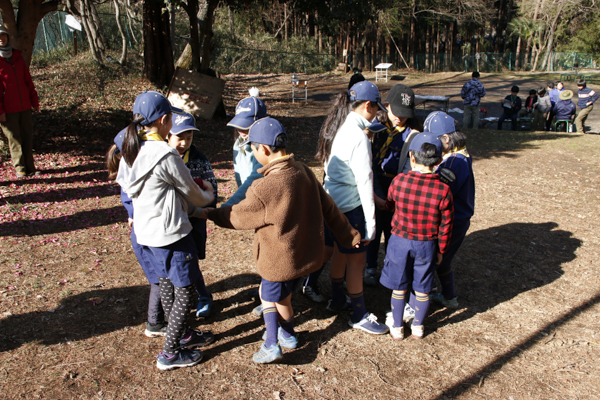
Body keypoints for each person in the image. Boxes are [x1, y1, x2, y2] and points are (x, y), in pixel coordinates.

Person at [205, 117, 361, 363]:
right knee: (284, 298)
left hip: (276, 261)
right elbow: (329, 208)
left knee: (267, 297)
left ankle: (271, 343)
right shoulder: (304, 172)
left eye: (253, 149)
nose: (254, 154)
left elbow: (238, 216)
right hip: (301, 257)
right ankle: (288, 334)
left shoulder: (265, 187)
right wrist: (349, 234)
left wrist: (212, 214)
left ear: (263, 149)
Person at [116, 91, 216, 370]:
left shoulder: (131, 150)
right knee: (188, 290)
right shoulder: (165, 154)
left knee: (169, 285)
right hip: (171, 234)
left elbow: (131, 187)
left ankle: (182, 333)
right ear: (164, 120)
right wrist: (206, 196)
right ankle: (170, 353)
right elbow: (193, 194)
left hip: (147, 234)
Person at [315, 81, 389, 335]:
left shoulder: (340, 126)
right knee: (356, 264)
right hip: (351, 208)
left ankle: (337, 298)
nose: (376, 113)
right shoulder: (359, 136)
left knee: (339, 253)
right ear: (368, 105)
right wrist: (370, 224)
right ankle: (358, 314)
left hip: (332, 205)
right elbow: (365, 181)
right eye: (376, 108)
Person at [381, 132, 453, 340]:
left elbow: (389, 204)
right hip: (427, 244)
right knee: (423, 287)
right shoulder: (444, 189)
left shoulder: (399, 181)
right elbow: (446, 225)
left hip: (399, 241)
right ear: (439, 161)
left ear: (412, 157)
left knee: (399, 286)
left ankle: (396, 326)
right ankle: (418, 326)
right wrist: (440, 250)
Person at [106, 131, 167, 338]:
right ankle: (155, 322)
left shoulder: (130, 171)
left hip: (143, 232)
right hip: (145, 235)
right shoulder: (133, 174)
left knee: (159, 278)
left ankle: (162, 316)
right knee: (159, 279)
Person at [365, 84, 421, 287]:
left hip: (398, 188)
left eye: (405, 114)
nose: (400, 118)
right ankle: (370, 267)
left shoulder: (412, 135)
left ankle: (391, 269)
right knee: (373, 230)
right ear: (386, 106)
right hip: (373, 183)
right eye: (396, 112)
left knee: (393, 232)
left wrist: (395, 196)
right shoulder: (374, 128)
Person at [168, 112, 218, 317]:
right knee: (176, 260)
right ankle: (181, 295)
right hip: (171, 220)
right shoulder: (163, 160)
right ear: (167, 136)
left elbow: (212, 187)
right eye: (179, 137)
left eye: (189, 138)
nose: (184, 143)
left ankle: (203, 295)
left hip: (194, 220)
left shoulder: (199, 160)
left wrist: (206, 202)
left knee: (191, 258)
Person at [424, 112, 475, 310]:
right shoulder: (460, 155)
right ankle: (449, 296)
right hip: (459, 218)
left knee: (431, 260)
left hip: (452, 220)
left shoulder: (454, 163)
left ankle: (420, 300)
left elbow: (440, 192)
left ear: (446, 138)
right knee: (445, 260)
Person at [0, 27, 40, 178]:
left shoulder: (17, 56)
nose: (1, 38)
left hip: (24, 105)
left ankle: (30, 166)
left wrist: (34, 101)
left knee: (27, 135)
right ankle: (20, 167)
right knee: (14, 138)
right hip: (8, 109)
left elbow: (27, 80)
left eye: (3, 35)